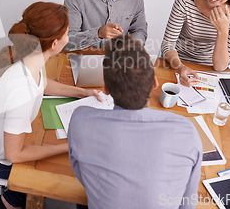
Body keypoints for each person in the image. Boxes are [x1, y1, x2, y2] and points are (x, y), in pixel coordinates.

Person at [0, 2, 99, 209]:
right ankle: (11, 201)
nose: (69, 37)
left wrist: (83, 93)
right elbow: (15, 155)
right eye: (66, 33)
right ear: (54, 44)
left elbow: (44, 84)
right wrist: (68, 146)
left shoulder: (32, 59)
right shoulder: (21, 91)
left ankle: (11, 199)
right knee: (64, 170)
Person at [68, 34, 202, 209]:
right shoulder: (187, 132)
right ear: (155, 82)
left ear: (105, 88)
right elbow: (187, 204)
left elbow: (84, 177)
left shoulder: (80, 121)